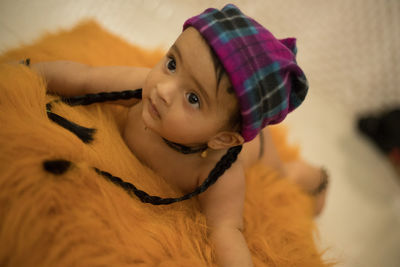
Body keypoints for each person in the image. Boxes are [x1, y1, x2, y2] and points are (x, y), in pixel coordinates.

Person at [26, 4, 328, 266]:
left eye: (193, 98)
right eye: (172, 63)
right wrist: (25, 72)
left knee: (281, 176)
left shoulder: (219, 172)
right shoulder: (142, 89)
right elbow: (83, 79)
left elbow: (226, 230)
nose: (164, 89)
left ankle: (312, 177)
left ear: (223, 139)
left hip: (259, 150)